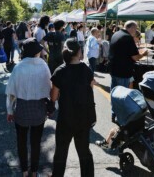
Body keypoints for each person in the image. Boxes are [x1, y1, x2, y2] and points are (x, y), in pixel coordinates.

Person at [6, 38, 51, 177]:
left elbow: (11, 93)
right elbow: (49, 87)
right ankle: (34, 171)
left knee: (21, 141)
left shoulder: (19, 67)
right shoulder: (43, 65)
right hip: (38, 108)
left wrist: (9, 110)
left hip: (22, 108)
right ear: (36, 52)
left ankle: (25, 171)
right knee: (36, 142)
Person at [50, 38, 96, 177]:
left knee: (61, 152)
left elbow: (53, 97)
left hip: (65, 117)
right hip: (83, 117)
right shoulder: (87, 70)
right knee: (84, 151)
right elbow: (90, 89)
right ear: (79, 53)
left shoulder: (60, 71)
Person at [109, 20, 148, 122]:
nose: (136, 31)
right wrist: (143, 54)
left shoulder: (116, 34)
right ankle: (122, 118)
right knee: (123, 95)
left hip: (114, 69)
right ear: (131, 28)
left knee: (115, 93)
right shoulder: (127, 37)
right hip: (123, 71)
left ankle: (114, 114)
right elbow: (135, 57)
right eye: (135, 29)